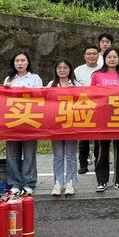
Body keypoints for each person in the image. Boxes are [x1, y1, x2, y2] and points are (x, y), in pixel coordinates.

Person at [90, 48, 119, 192]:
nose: (112, 59)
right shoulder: (97, 75)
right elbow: (91, 95)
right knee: (102, 150)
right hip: (102, 117)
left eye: (115, 57)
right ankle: (102, 180)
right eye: (109, 57)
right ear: (105, 59)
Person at [4, 50, 43, 194]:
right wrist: (6, 89)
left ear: (28, 62)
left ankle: (29, 182)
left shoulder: (35, 78)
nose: (20, 63)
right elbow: (3, 99)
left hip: (29, 119)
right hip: (12, 120)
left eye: (22, 60)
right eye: (17, 61)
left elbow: (40, 97)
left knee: (29, 153)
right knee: (12, 153)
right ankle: (15, 183)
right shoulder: (9, 79)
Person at [46, 59, 81, 196]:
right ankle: (58, 183)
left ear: (70, 69)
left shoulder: (77, 85)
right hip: (55, 124)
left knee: (71, 155)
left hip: (71, 123)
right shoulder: (51, 84)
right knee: (58, 155)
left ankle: (70, 182)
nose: (62, 70)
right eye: (59, 68)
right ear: (55, 70)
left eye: (65, 67)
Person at [74, 45, 101, 174]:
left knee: (98, 138)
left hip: (99, 107)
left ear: (98, 55)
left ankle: (98, 163)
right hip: (82, 106)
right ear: (84, 56)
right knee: (83, 137)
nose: (91, 56)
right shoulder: (78, 70)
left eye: (94, 53)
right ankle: (83, 164)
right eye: (89, 54)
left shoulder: (102, 69)